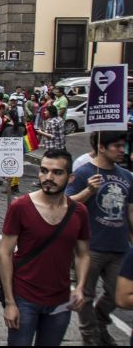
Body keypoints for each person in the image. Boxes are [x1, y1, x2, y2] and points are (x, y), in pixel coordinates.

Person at [0, 149, 90, 346]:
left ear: (71, 177)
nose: (48, 177)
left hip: (61, 302)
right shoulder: (20, 207)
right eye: (44, 171)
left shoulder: (79, 212)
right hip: (24, 299)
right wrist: (9, 302)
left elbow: (83, 254)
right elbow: (5, 253)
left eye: (57, 172)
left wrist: (80, 287)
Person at [66, 131, 133, 345]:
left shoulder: (126, 176)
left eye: (123, 146)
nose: (122, 150)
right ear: (102, 147)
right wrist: (88, 191)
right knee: (85, 295)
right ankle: (91, 335)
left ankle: (100, 321)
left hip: (120, 248)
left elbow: (130, 212)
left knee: (118, 294)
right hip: (90, 248)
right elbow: (66, 204)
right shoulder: (84, 172)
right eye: (117, 146)